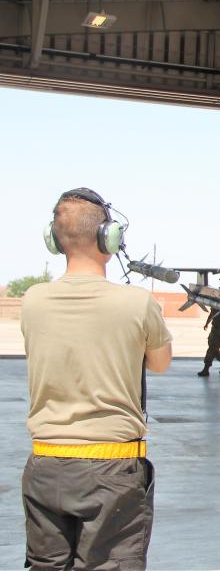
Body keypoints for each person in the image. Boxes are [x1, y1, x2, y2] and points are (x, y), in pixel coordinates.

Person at [21, 188, 172, 570]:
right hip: (111, 470)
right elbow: (160, 363)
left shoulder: (33, 300)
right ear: (110, 237)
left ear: (55, 240)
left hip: (46, 466)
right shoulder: (136, 302)